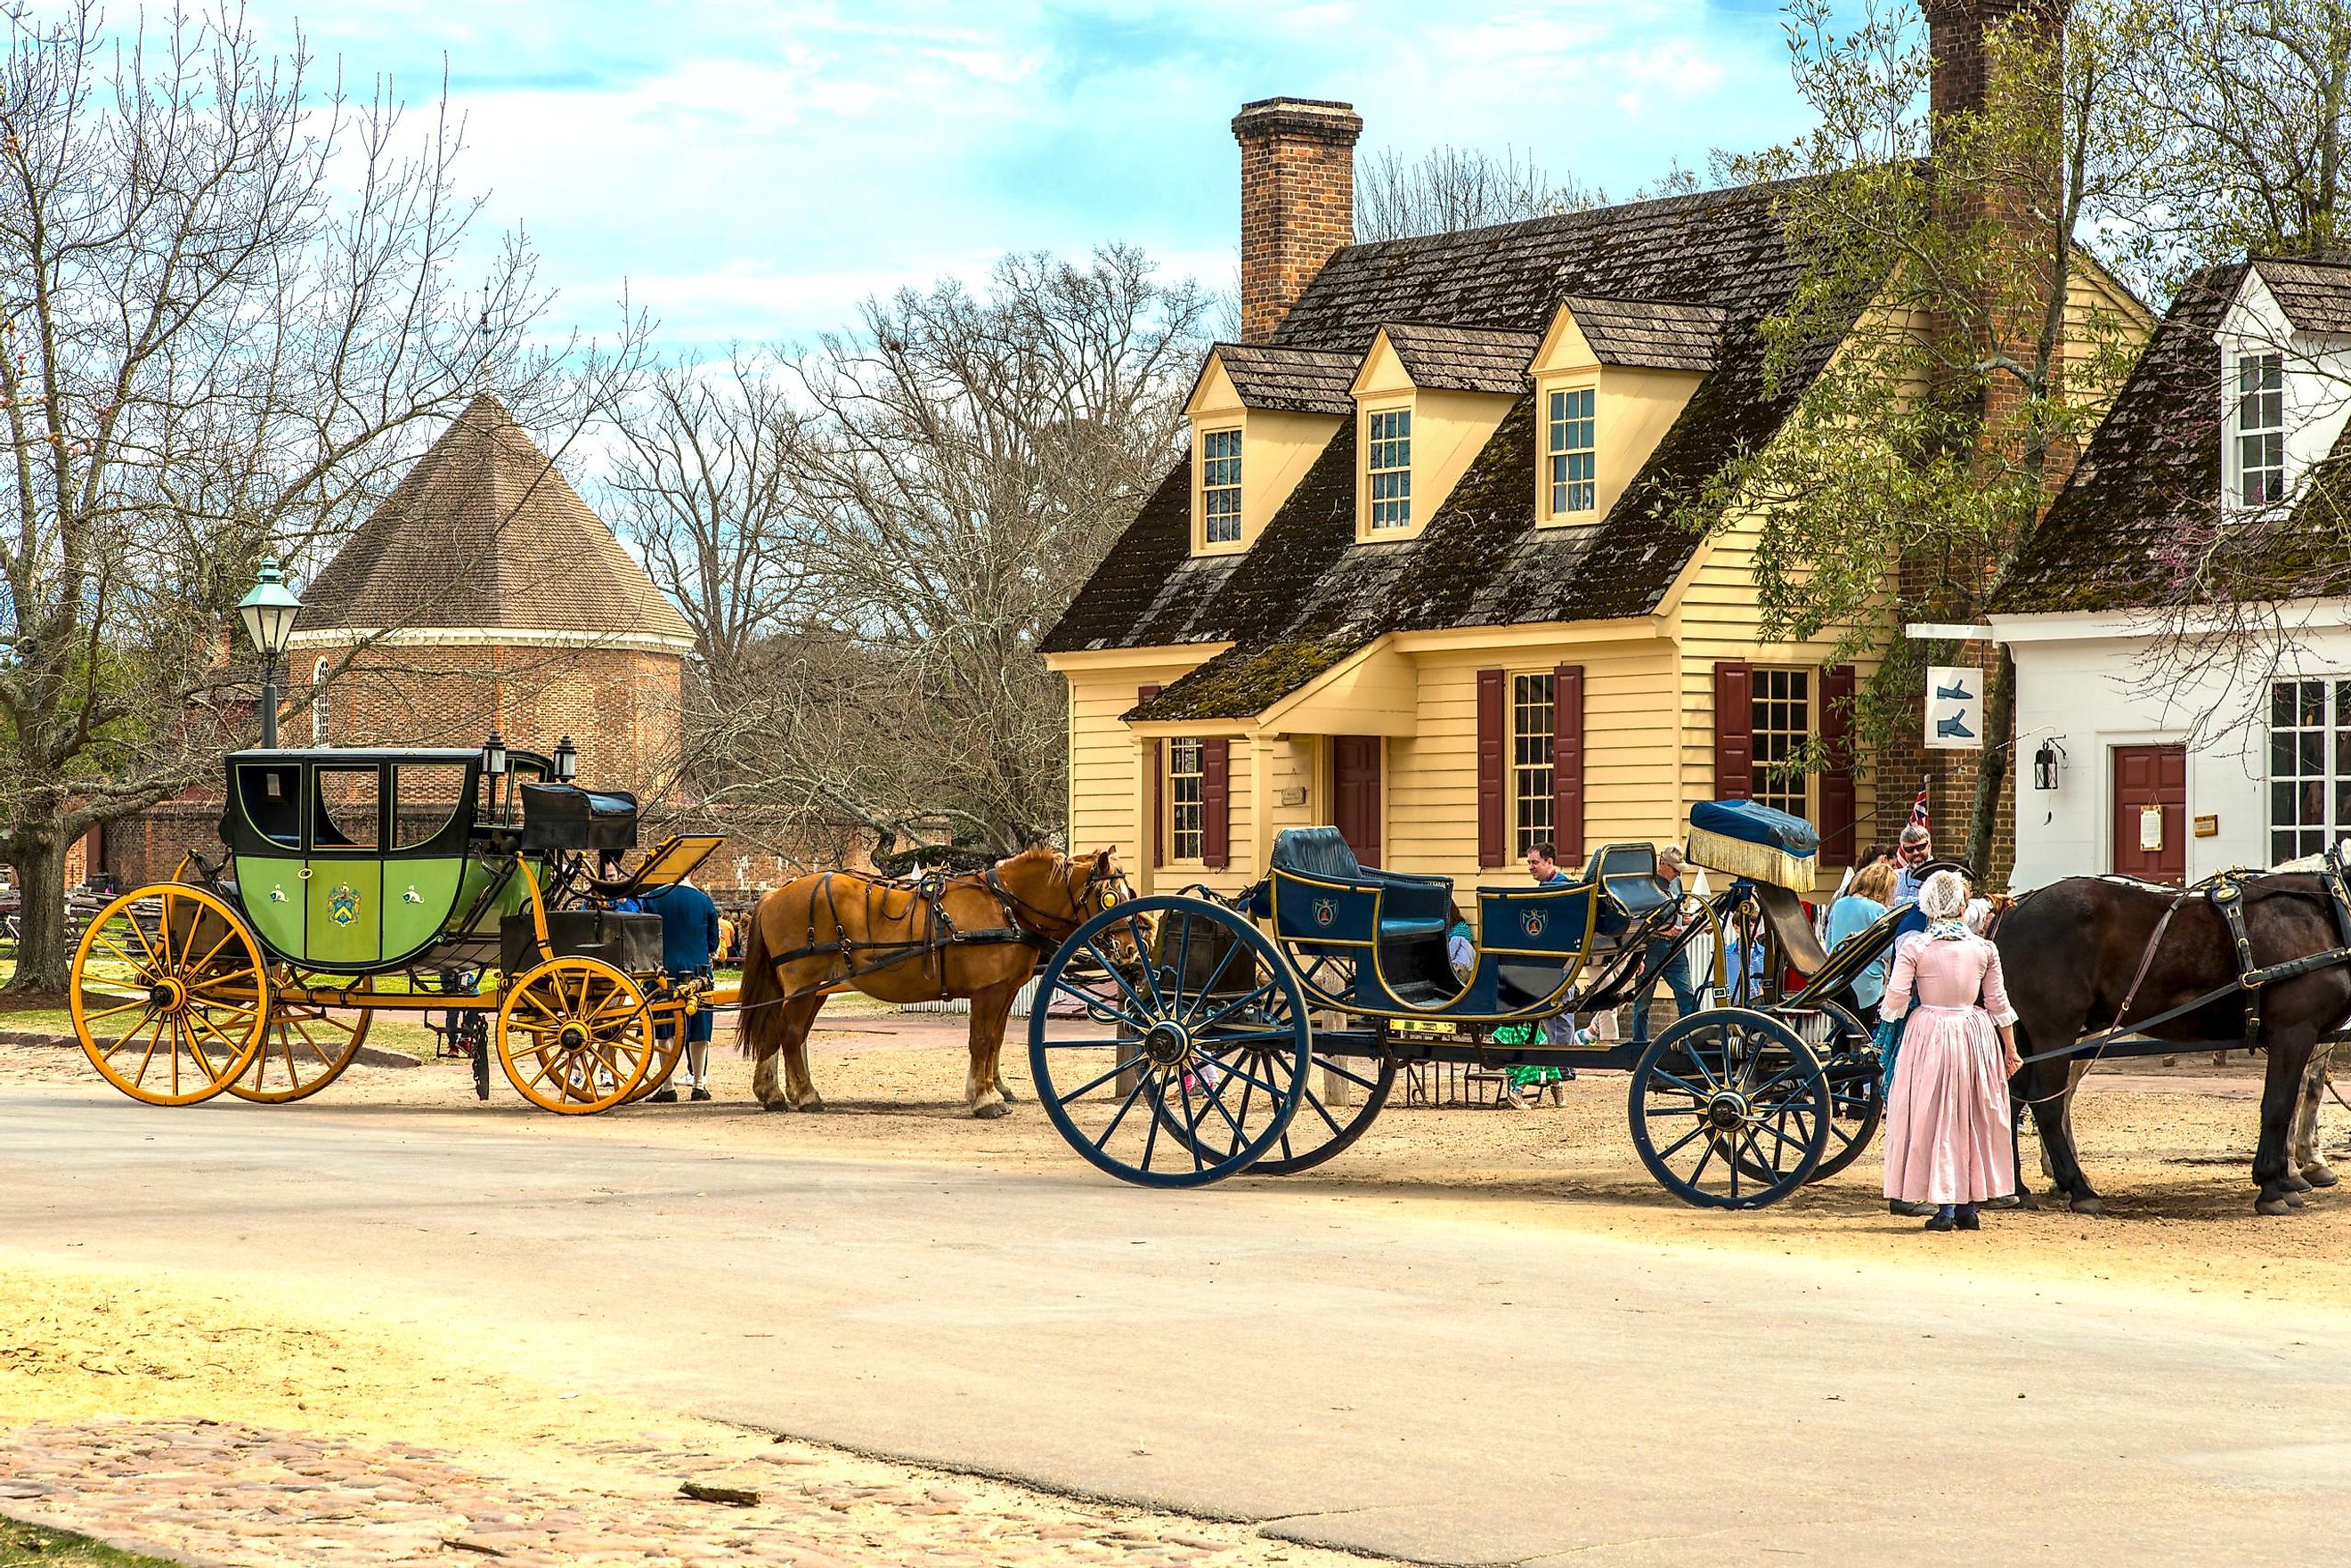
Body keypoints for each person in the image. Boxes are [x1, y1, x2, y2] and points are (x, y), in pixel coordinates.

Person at [1877, 869, 2022, 1231]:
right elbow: (1998, 1003)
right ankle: (1969, 1205)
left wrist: (1887, 1037)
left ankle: (1943, 1204)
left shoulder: (1914, 947)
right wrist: (2010, 1049)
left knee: (1934, 1116)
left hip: (1928, 1033)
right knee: (1971, 1116)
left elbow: (1894, 1000)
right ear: (1961, 906)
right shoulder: (1984, 949)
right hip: (1974, 1034)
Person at [636, 875, 723, 1102]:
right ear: (692, 874)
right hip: (699, 970)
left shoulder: (652, 899)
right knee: (700, 1029)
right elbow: (713, 943)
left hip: (662, 972)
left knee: (664, 1032)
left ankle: (667, 1087)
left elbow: (642, 938)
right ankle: (699, 1084)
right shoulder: (704, 901)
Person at [1631, 844, 1701, 1044]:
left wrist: (1692, 920)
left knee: (1686, 993)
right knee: (1643, 1002)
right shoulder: (1648, 886)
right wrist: (1663, 930)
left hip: (1675, 947)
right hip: (1653, 946)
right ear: (1662, 863)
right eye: (1675, 869)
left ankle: (1690, 1042)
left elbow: (1678, 911)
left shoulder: (1676, 883)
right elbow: (1639, 920)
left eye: (1680, 870)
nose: (1678, 874)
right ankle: (1640, 1046)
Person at [1826, 860, 1899, 1026]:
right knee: (1861, 1033)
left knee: (1841, 1033)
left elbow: (1830, 944)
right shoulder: (1878, 910)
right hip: (1866, 979)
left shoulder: (1839, 904)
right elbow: (1887, 952)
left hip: (1837, 977)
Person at [1892, 825, 1934, 906]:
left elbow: (1935, 903)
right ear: (1903, 850)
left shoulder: (1942, 875)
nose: (1915, 853)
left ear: (1929, 847)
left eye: (1920, 847)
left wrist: (1897, 901)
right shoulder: (1895, 877)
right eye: (1909, 849)